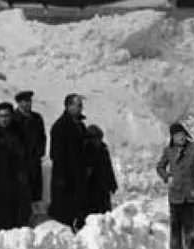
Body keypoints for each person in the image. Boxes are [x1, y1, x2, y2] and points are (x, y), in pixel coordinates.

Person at [49, 93, 88, 230]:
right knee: (65, 213)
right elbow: (56, 155)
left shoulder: (80, 126)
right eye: (77, 105)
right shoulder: (60, 127)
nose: (80, 108)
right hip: (66, 178)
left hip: (79, 176)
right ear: (68, 106)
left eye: (81, 106)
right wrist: (62, 178)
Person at [0, 102, 28, 230]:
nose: (4, 119)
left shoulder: (19, 130)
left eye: (7, 115)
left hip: (16, 174)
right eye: (1, 116)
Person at [13, 91, 47, 212]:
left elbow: (42, 137)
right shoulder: (13, 118)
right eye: (25, 101)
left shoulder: (37, 118)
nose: (28, 104)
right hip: (20, 163)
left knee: (35, 193)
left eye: (29, 101)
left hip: (34, 161)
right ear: (19, 103)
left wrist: (39, 151)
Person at [82, 125, 118, 222]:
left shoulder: (103, 149)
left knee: (105, 213)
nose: (98, 141)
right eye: (96, 138)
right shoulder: (86, 151)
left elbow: (108, 168)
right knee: (94, 216)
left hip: (104, 187)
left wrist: (112, 183)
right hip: (92, 189)